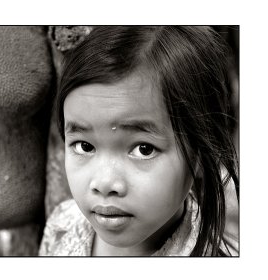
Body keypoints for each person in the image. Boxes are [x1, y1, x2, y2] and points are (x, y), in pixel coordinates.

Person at [39, 26, 239, 256]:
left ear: (202, 155)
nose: (104, 183)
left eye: (144, 149)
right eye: (85, 146)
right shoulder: (62, 226)